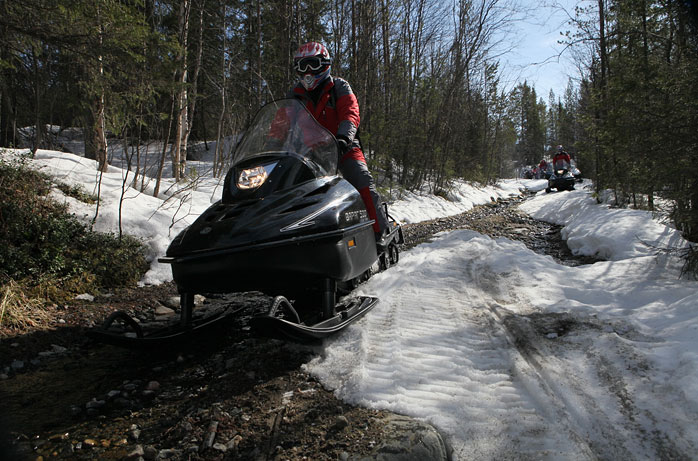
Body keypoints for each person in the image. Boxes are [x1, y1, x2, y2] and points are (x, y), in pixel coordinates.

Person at [288, 41, 389, 242]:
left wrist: (343, 138)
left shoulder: (339, 87)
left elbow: (350, 113)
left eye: (312, 64)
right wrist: (271, 146)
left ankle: (379, 234)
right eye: (302, 66)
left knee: (363, 182)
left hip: (344, 147)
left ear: (324, 64)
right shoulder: (295, 95)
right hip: (312, 155)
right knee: (290, 191)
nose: (308, 71)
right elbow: (281, 123)